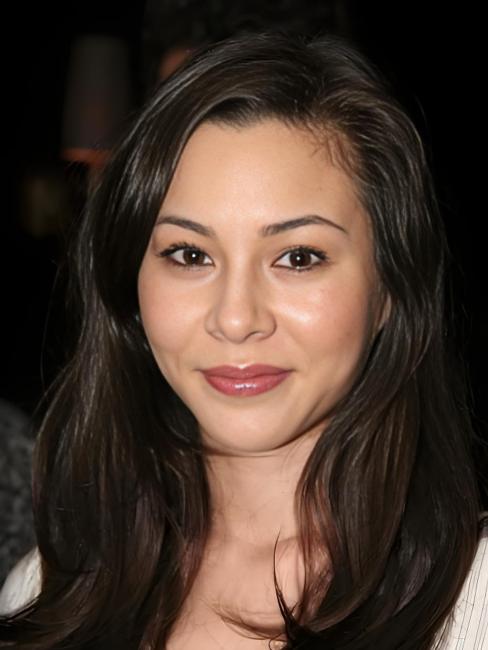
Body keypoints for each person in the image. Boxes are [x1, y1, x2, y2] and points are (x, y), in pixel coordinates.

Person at [0, 30, 486, 650]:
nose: (235, 319)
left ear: (390, 287)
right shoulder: (46, 591)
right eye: (189, 254)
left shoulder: (474, 598)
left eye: (298, 257)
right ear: (130, 285)